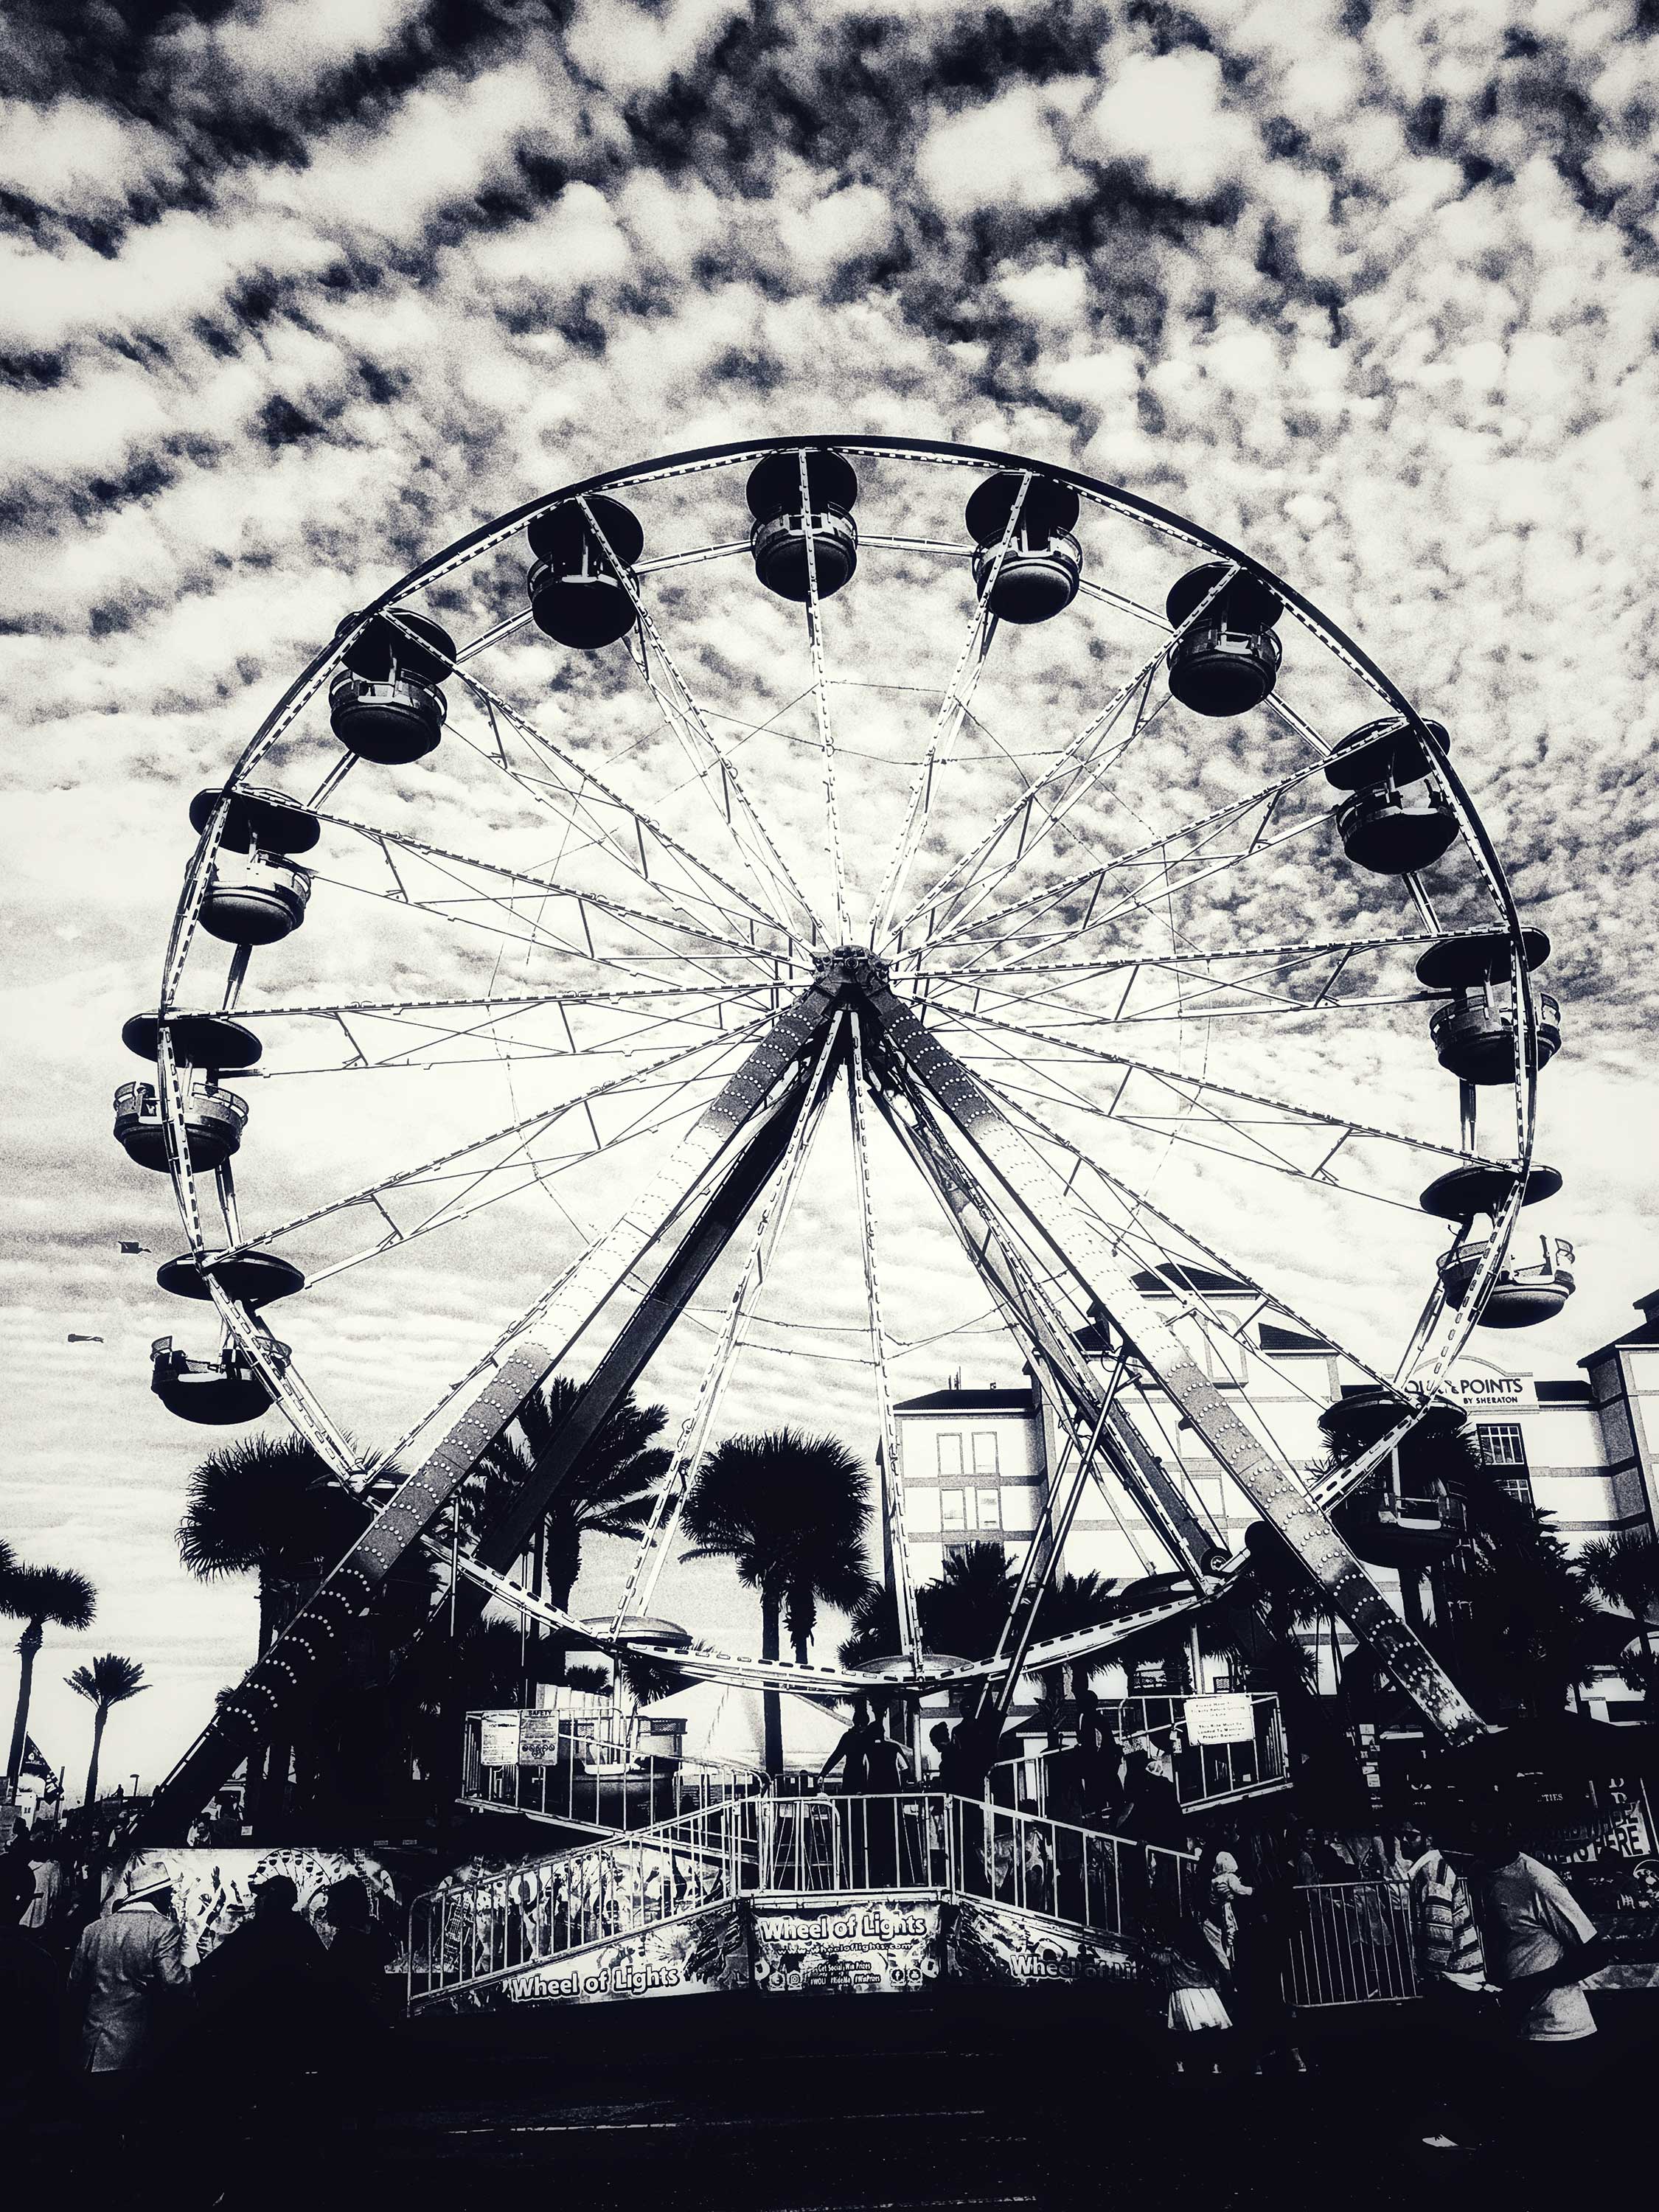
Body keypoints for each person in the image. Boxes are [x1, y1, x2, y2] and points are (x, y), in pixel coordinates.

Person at [1468, 1809, 1609, 2112]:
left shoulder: (1538, 1881)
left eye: (1483, 1823)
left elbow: (1596, 1953)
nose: (1474, 1829)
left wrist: (1528, 1986)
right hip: (1518, 2026)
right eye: (1470, 1822)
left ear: (1506, 1828)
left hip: (1559, 2031)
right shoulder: (1480, 1875)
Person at [66, 1857, 189, 2084]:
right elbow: (174, 1982)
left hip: (90, 2045)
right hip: (134, 2049)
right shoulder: (164, 1928)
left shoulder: (93, 1929)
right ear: (157, 1895)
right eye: (169, 1894)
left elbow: (74, 1984)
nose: (171, 1900)